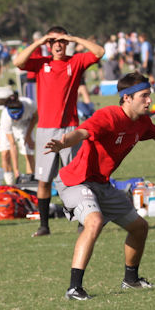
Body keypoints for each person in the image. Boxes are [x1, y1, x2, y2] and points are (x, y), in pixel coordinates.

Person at [46, 72, 155, 300]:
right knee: (94, 222)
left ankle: (131, 280)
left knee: (140, 227)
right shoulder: (108, 115)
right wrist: (63, 142)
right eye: (144, 95)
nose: (149, 100)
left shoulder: (141, 122)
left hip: (102, 184)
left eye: (149, 95)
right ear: (127, 98)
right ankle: (74, 288)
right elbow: (82, 132)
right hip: (76, 181)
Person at [12, 27, 104, 237]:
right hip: (45, 130)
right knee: (44, 180)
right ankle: (44, 226)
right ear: (48, 45)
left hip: (70, 129)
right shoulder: (41, 63)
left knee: (75, 179)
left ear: (67, 43)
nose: (58, 45)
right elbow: (18, 62)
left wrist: (74, 38)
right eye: (53, 42)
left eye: (61, 41)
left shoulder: (76, 61)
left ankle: (82, 221)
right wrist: (40, 41)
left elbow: (99, 52)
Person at [0, 86, 37, 185]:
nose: (16, 119)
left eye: (18, 116)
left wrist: (28, 136)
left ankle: (30, 181)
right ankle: (10, 183)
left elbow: (35, 117)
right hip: (9, 128)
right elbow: (12, 144)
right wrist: (16, 170)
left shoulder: (30, 104)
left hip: (25, 125)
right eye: (14, 117)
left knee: (28, 152)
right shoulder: (5, 117)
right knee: (5, 154)